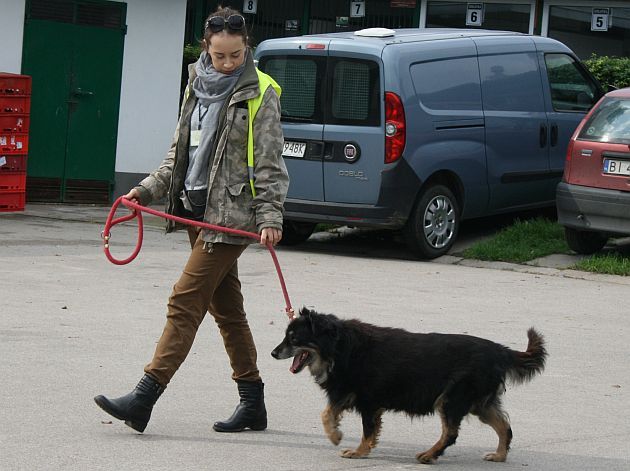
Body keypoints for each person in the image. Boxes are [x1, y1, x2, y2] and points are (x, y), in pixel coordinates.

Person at [94, 6, 288, 434]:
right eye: (220, 56)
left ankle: (144, 397)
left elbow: (272, 163)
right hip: (196, 214)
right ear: (206, 48)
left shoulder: (262, 92)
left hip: (231, 217)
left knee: (185, 300)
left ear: (246, 47)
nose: (229, 63)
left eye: (236, 55)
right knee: (228, 311)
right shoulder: (196, 87)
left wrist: (271, 215)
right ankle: (252, 401)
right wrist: (144, 190)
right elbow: (179, 154)